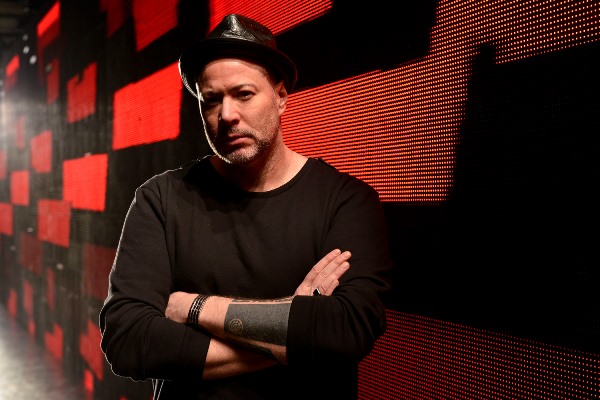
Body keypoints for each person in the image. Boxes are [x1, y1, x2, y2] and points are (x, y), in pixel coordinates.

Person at [99, 13, 393, 399]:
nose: (227, 115)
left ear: (281, 96)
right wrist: (296, 332)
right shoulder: (161, 198)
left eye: (243, 94)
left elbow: (348, 329)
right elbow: (127, 339)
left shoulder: (346, 201)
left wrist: (195, 307)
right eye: (211, 100)